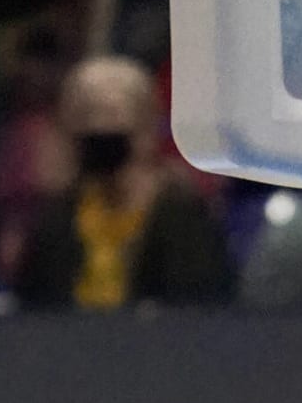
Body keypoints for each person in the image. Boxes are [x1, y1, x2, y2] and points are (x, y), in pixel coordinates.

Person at [15, 55, 234, 309]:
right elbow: (32, 306)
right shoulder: (57, 219)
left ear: (146, 128)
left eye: (112, 117)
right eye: (87, 117)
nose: (99, 129)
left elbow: (200, 306)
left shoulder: (183, 216)